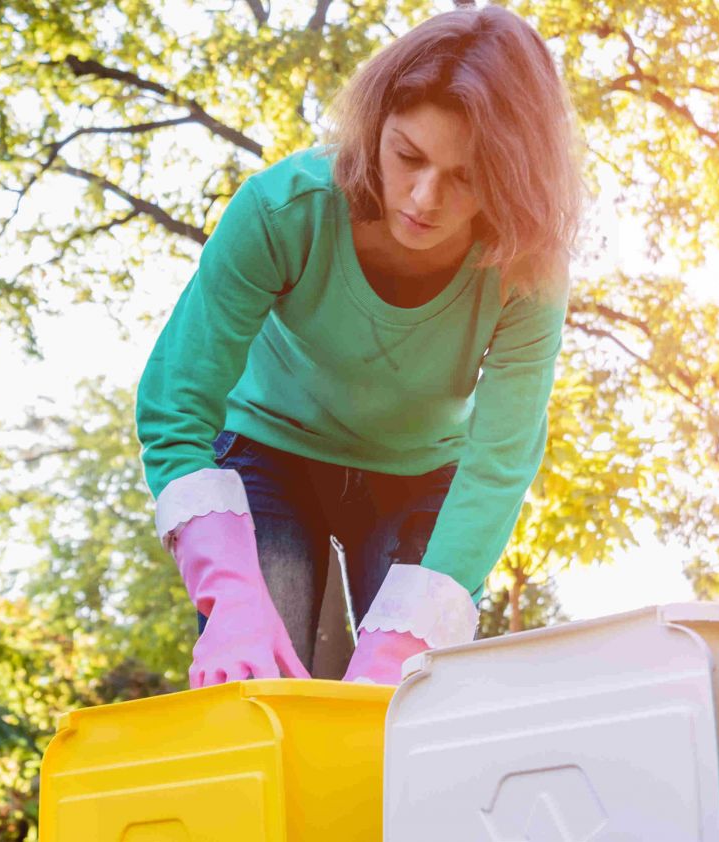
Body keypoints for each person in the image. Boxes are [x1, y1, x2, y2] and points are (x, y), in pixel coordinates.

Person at [134, 2, 585, 687]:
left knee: (411, 696)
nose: (424, 198)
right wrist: (229, 593)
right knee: (261, 676)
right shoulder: (282, 212)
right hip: (269, 451)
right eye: (408, 155)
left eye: (465, 177)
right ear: (377, 126)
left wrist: (402, 641)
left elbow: (497, 465)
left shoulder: (526, 275)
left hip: (418, 477)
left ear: (510, 179)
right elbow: (175, 405)